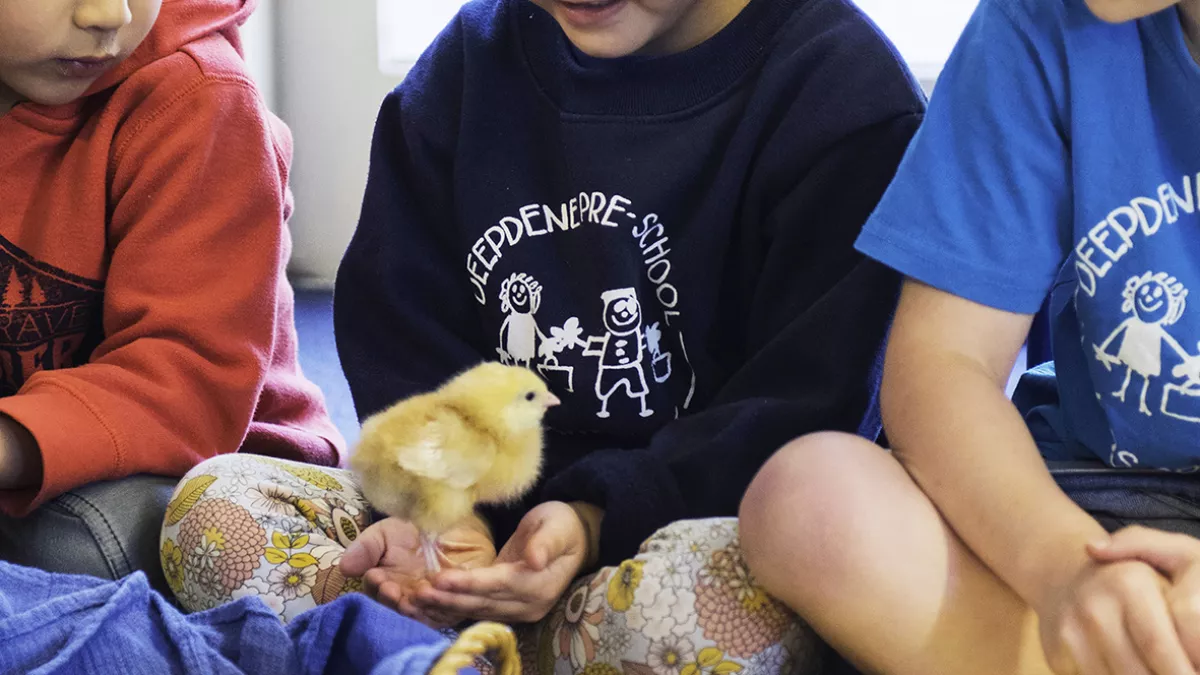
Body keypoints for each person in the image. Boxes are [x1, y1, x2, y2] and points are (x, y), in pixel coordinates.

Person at [171, 0, 923, 671]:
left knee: (716, 618)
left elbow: (806, 407)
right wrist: (447, 522)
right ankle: (475, 644)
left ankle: (431, 653)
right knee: (215, 506)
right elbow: (400, 333)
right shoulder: (464, 68)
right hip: (480, 524)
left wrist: (593, 520)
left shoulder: (842, 95)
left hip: (676, 532)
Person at [739, 0, 1200, 674]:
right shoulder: (1034, 25)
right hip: (1086, 503)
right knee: (810, 500)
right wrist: (1067, 572)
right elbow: (945, 364)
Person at [0, 0, 342, 592]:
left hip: (217, 463)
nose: (109, 15)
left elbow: (184, 380)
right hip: (30, 438)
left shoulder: (202, 97)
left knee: (78, 543)